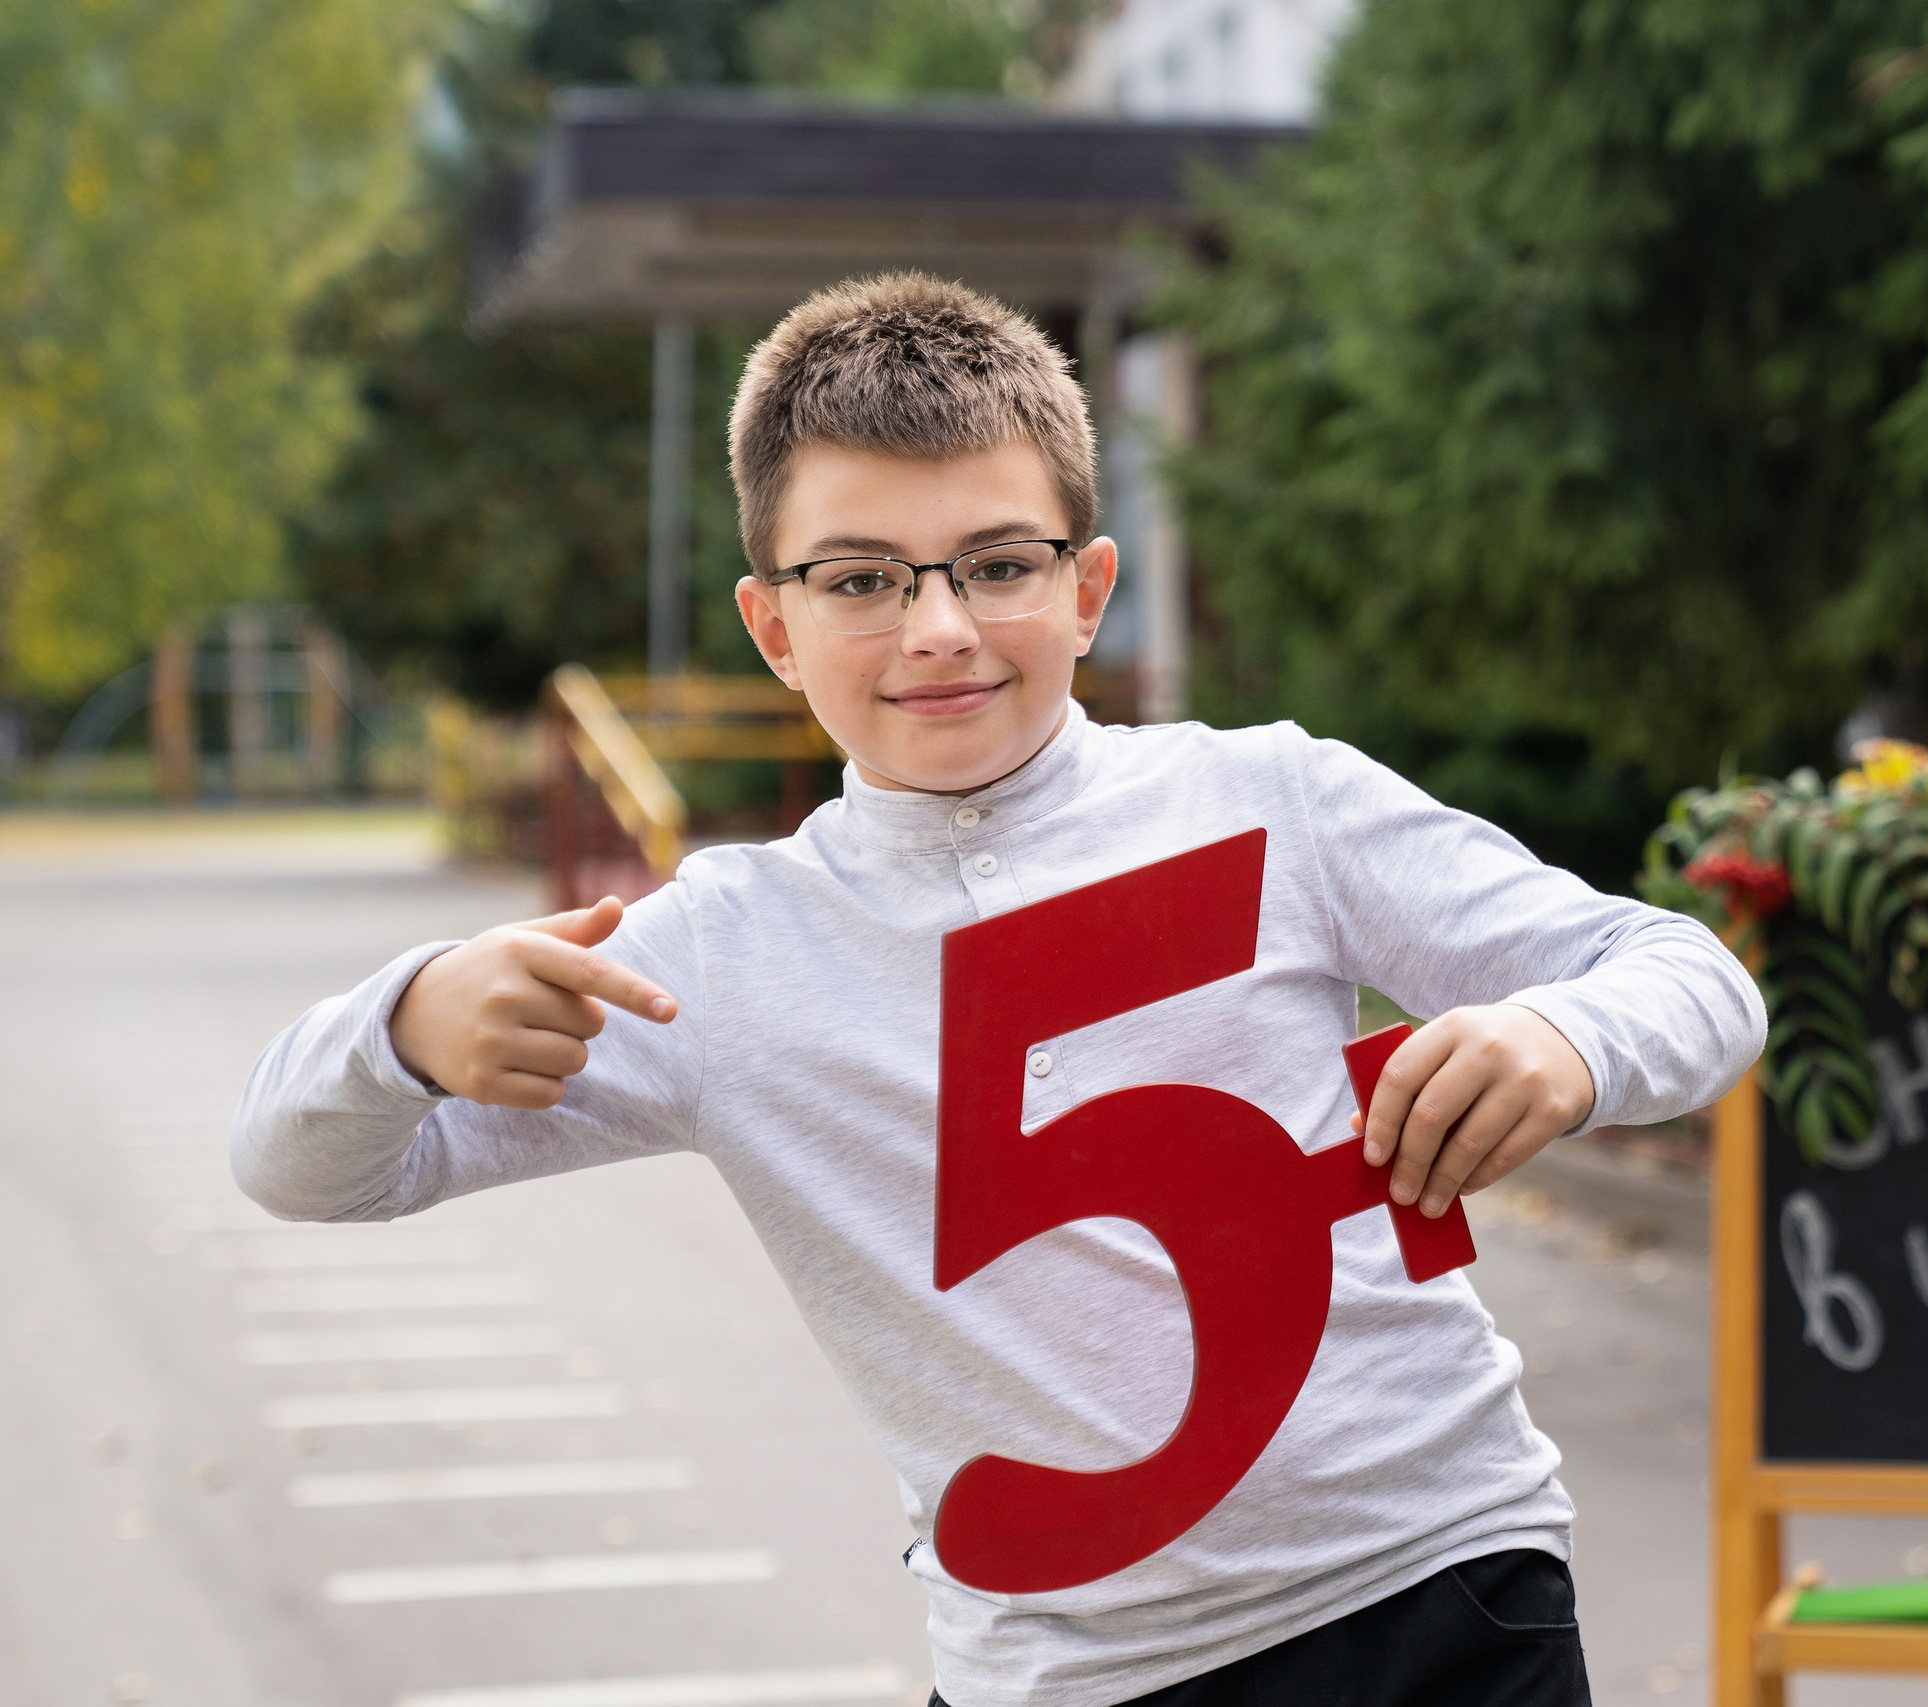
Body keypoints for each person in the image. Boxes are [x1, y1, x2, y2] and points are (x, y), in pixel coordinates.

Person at [233, 273, 1765, 1707]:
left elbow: (1689, 976)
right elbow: (303, 1169)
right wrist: (405, 1026)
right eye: (861, 580)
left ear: (1088, 586)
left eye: (998, 563)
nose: (941, 628)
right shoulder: (722, 954)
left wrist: (1566, 1033)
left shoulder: (1273, 802)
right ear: (772, 624)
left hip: (1442, 1594)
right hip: (1065, 1672)